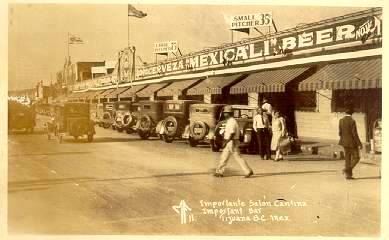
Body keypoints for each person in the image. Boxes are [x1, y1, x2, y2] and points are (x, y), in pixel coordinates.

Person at [214, 106, 254, 178]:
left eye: (225, 113)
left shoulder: (232, 121)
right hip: (229, 141)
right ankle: (219, 171)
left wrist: (226, 142)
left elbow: (232, 133)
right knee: (224, 157)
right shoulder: (229, 121)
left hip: (231, 141)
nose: (224, 114)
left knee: (237, 157)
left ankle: (248, 171)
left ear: (229, 113)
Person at [338, 108, 363, 180]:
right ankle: (347, 170)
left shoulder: (341, 120)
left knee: (347, 159)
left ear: (345, 113)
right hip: (352, 143)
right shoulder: (352, 121)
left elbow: (340, 132)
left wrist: (344, 139)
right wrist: (359, 143)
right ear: (352, 113)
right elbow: (354, 134)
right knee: (356, 158)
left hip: (344, 142)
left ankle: (348, 176)